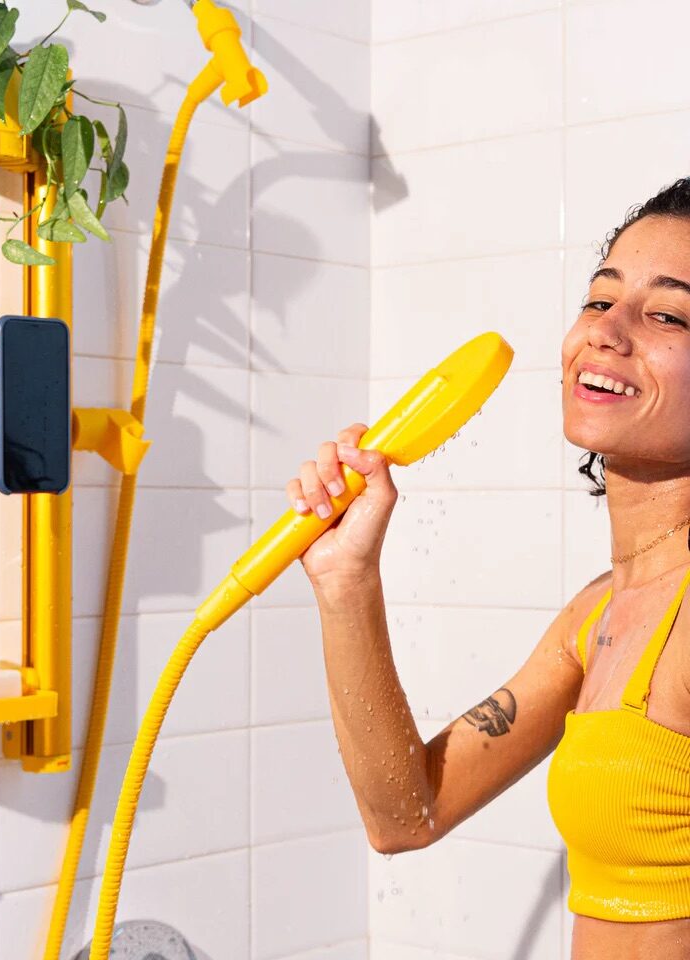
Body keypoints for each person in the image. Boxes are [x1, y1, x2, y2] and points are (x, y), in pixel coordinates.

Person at [285, 178, 690, 960]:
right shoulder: (596, 615)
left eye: (668, 314)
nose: (607, 331)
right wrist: (346, 581)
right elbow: (407, 815)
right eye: (600, 299)